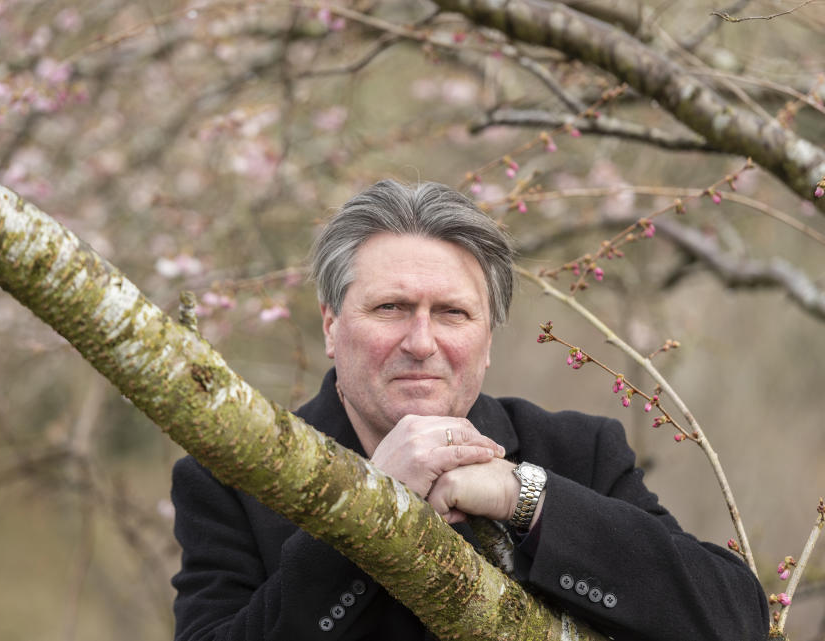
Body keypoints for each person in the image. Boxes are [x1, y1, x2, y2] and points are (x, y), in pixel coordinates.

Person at [170, 180, 769, 640]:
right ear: (331, 326)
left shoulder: (577, 453)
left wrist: (524, 497)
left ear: (489, 340)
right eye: (390, 308)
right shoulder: (233, 478)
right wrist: (368, 512)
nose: (422, 342)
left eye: (453, 313)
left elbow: (732, 619)